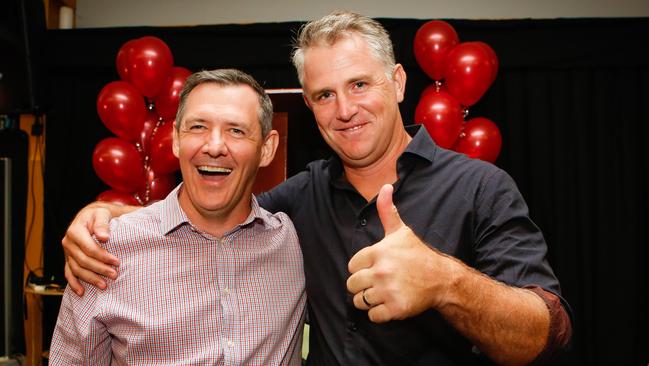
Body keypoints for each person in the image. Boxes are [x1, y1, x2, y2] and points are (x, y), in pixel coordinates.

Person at [61, 11, 572, 365]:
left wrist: (445, 282)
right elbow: (215, 209)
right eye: (324, 94)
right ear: (309, 106)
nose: (344, 110)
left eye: (359, 85)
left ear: (396, 82)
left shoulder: (481, 187)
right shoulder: (297, 201)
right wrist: (104, 214)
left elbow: (547, 335)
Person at [50, 69, 306, 365]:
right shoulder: (105, 253)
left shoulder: (292, 242)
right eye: (198, 127)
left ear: (267, 149)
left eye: (236, 130)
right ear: (175, 140)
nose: (214, 146)